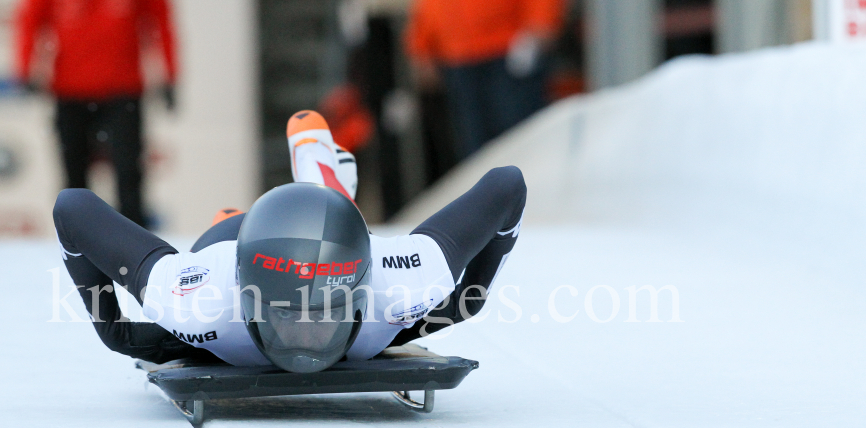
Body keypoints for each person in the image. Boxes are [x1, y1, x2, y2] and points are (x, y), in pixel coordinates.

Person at [53, 111, 526, 372]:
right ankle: (280, 189)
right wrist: (115, 334)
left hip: (336, 250)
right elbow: (71, 209)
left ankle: (320, 169)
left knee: (335, 216)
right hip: (227, 244)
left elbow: (508, 185)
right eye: (287, 318)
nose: (305, 344)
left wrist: (115, 328)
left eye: (322, 318)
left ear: (361, 296)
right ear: (245, 300)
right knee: (295, 219)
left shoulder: (404, 280)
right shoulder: (196, 299)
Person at [14, 0, 179, 227]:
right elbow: (30, 21)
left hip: (122, 93)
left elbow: (161, 22)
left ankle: (135, 243)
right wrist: (25, 69)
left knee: (128, 172)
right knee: (74, 180)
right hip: (70, 93)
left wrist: (169, 74)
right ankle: (77, 243)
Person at [405, 0, 567, 160]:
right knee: (474, 147)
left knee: (517, 141)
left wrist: (542, 21)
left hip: (506, 52)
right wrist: (422, 44)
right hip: (457, 58)